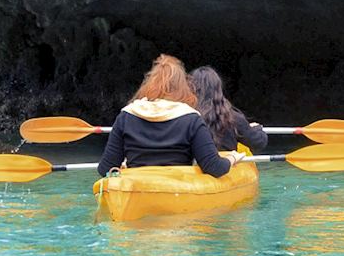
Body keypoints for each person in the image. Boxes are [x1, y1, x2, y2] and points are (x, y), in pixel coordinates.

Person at [98, 55, 242, 178]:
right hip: (176, 189)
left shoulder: (126, 116)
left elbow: (105, 169)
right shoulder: (191, 119)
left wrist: (124, 165)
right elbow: (214, 167)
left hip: (137, 185)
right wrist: (231, 158)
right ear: (183, 87)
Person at [188, 66, 269, 153]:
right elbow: (258, 142)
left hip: (192, 165)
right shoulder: (233, 118)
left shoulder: (184, 117)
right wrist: (257, 129)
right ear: (218, 89)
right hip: (226, 165)